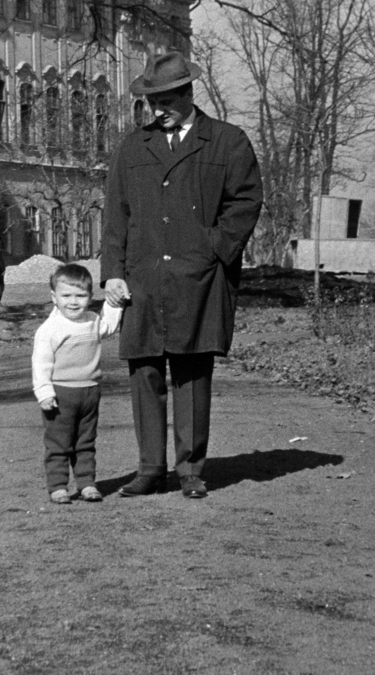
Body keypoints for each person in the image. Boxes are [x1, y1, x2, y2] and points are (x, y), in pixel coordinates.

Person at [102, 50, 263, 500]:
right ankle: (150, 469)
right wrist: (112, 273)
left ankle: (191, 469)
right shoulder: (133, 148)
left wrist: (213, 249)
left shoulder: (228, 142)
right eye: (151, 103)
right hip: (143, 279)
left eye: (166, 101)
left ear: (190, 93)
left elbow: (246, 202)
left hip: (201, 277)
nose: (157, 111)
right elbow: (116, 216)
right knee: (145, 371)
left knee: (192, 372)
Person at [32, 263, 123, 504]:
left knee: (86, 442)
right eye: (66, 296)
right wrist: (44, 392)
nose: (73, 302)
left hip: (90, 392)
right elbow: (41, 363)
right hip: (60, 395)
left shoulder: (92, 320)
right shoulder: (50, 329)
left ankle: (87, 483)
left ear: (90, 297)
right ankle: (58, 486)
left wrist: (114, 303)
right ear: (54, 297)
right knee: (58, 443)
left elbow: (109, 326)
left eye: (80, 296)